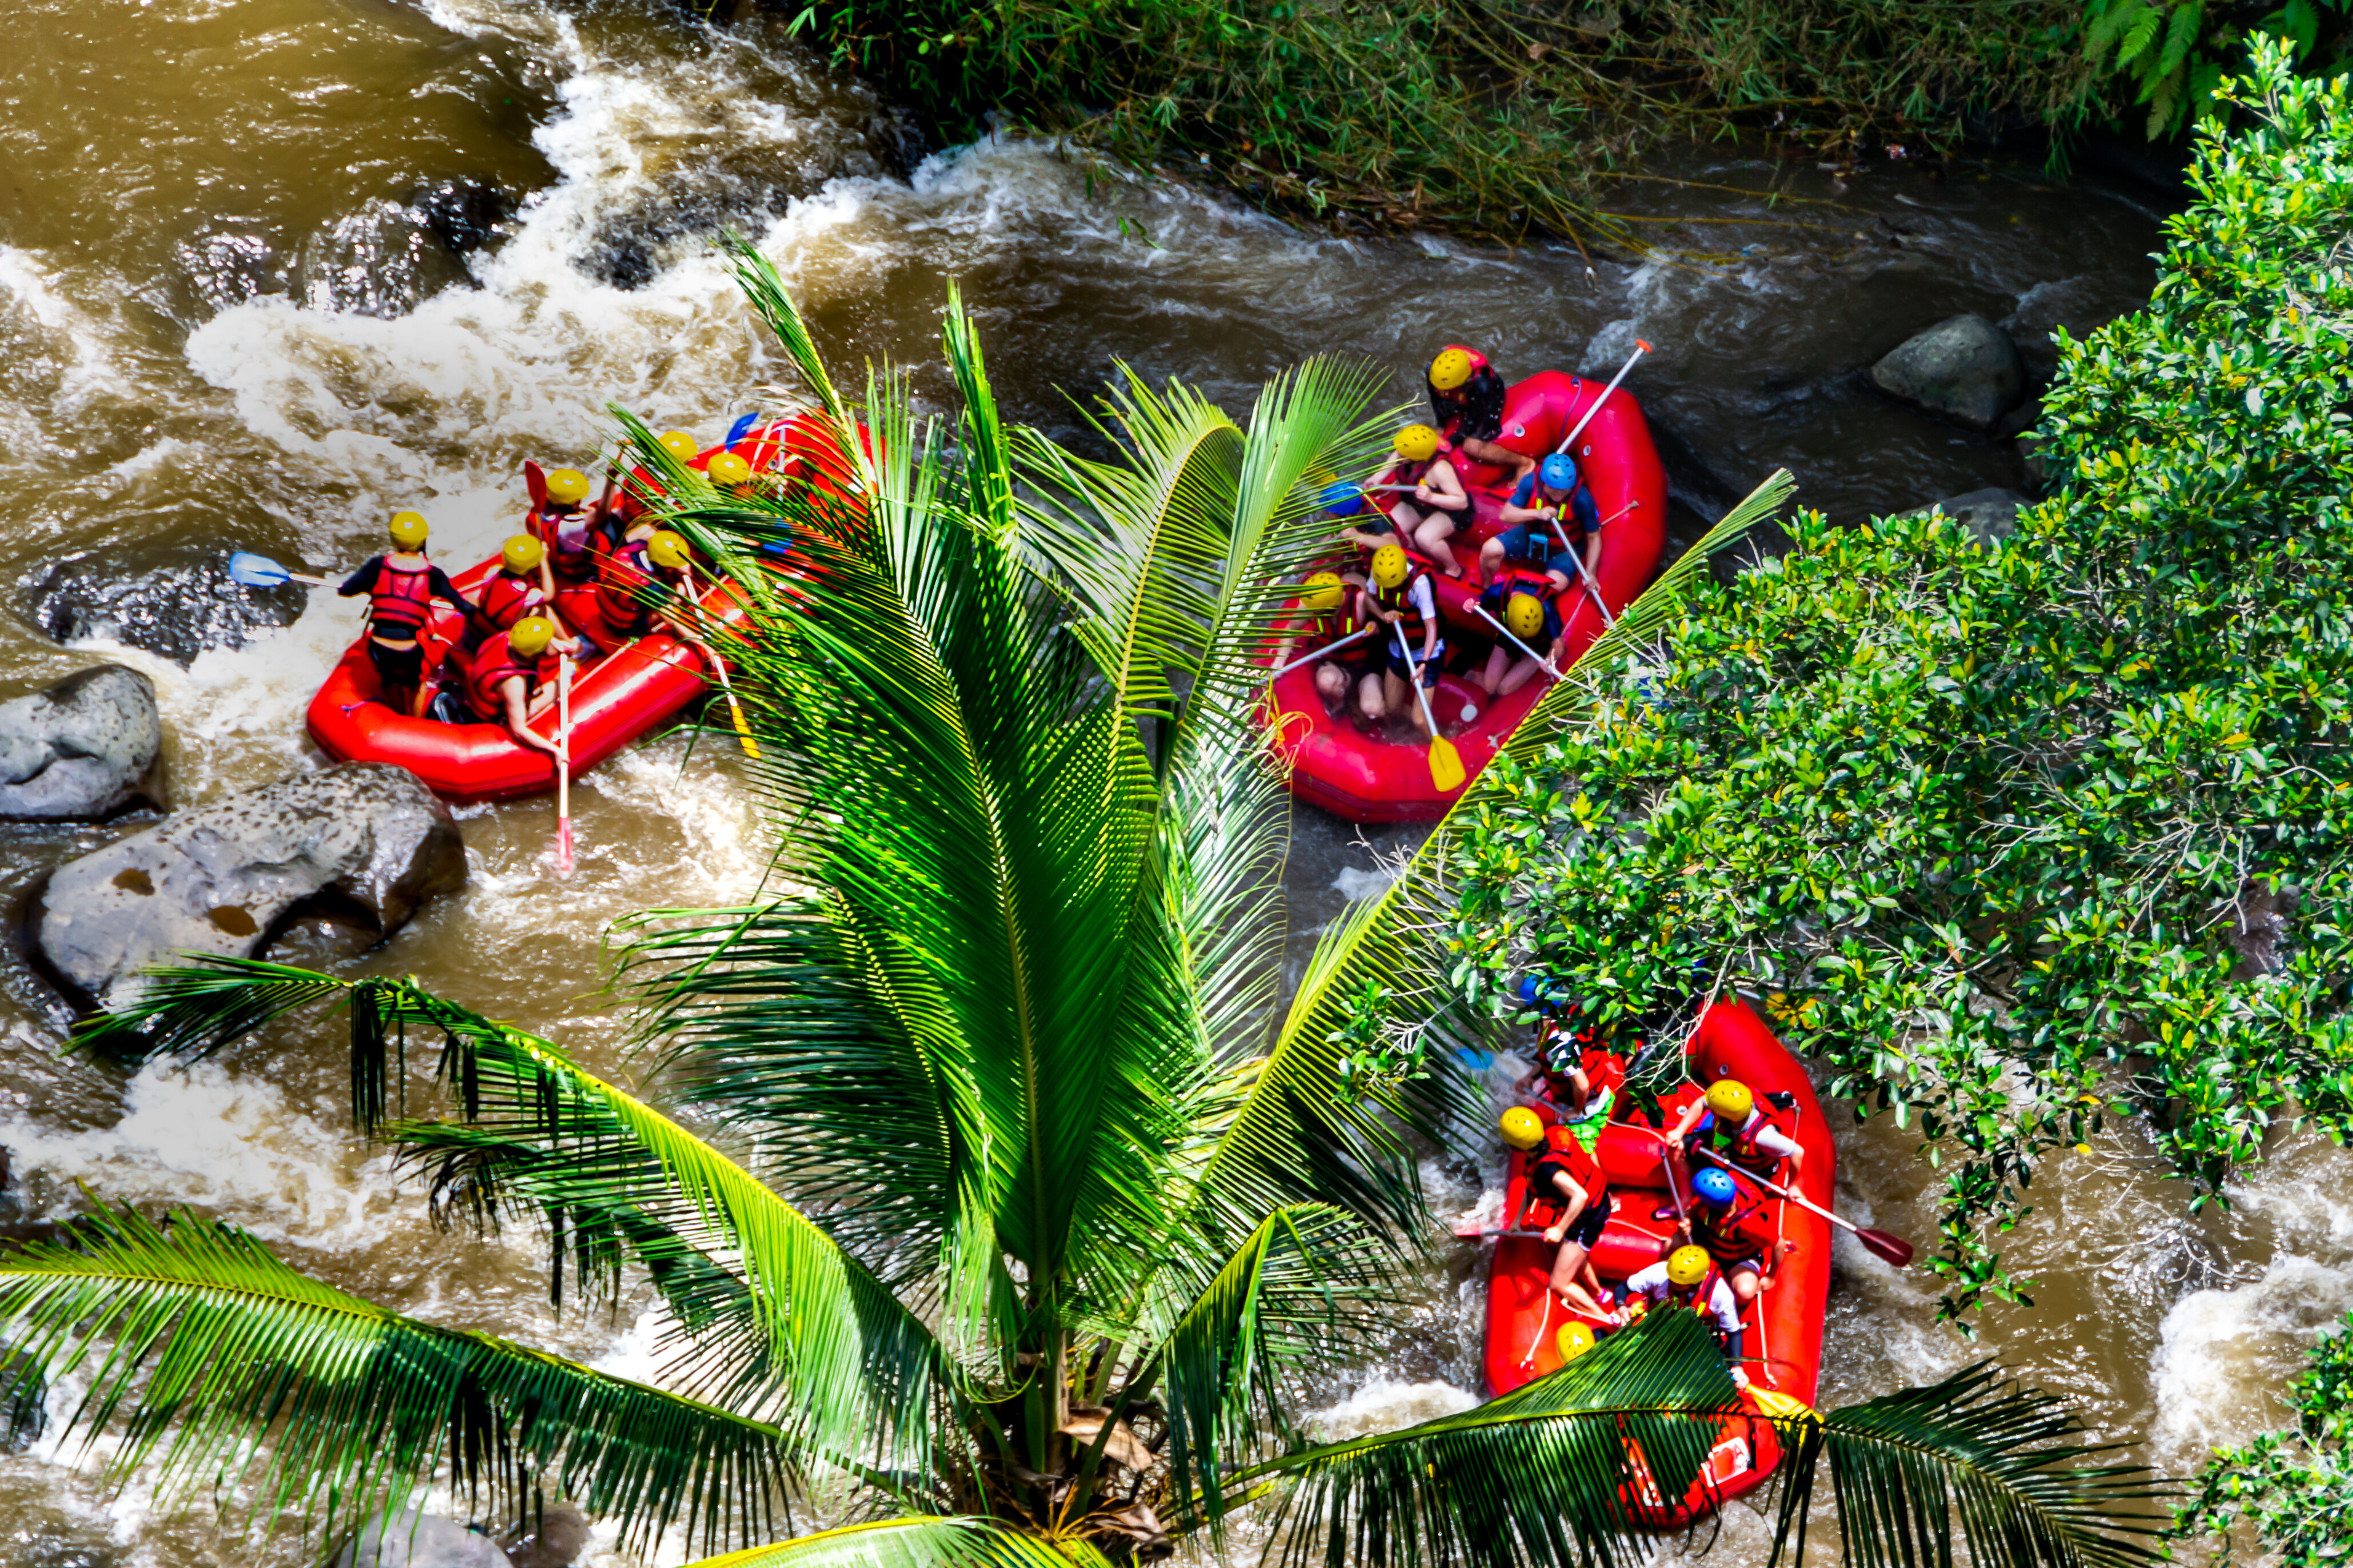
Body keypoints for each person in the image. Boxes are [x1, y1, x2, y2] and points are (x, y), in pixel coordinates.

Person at [337, 510, 492, 719]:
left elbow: (345, 591)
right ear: (422, 540)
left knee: (389, 676)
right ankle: (414, 721)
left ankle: (390, 709)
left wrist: (371, 588)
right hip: (407, 654)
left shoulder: (377, 566)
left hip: (377, 650)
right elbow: (462, 606)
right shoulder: (433, 575)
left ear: (393, 538)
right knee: (416, 686)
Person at [1501, 1107, 1614, 1323]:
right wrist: (1517, 1221)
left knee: (1558, 1284)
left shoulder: (1546, 1170)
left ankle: (1608, 1321)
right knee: (1572, 1254)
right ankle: (1599, 1294)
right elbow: (1530, 1186)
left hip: (1588, 1217)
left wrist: (1560, 1228)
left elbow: (1579, 1196)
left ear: (1515, 1146)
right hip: (1598, 1202)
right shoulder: (1551, 1137)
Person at [1623, 1244, 1749, 1385]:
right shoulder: (1660, 1273)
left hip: (1691, 1343)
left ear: (1696, 1282)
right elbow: (1624, 1288)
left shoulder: (1720, 1295)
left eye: (1679, 1283)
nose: (1673, 1284)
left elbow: (1733, 1332)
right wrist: (1621, 1307)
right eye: (1673, 1279)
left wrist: (1737, 1367)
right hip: (1655, 1332)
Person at [1677, 1164, 1795, 1308]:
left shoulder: (1748, 1224)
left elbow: (1779, 1244)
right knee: (1673, 1245)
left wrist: (1770, 1277)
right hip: (1709, 1250)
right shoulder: (1705, 1201)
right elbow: (1691, 1210)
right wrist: (1687, 1221)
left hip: (1739, 1260)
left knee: (1745, 1292)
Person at [1273, 571, 1382, 724]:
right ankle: (1341, 704)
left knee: (1374, 708)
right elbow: (1291, 628)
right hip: (1336, 664)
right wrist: (1278, 664)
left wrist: (1374, 627)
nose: (1309, 612)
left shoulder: (1359, 600)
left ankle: (1381, 713)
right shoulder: (1311, 604)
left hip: (1365, 667)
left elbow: (1384, 628)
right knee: (1326, 681)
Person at [1483, 454, 1601, 592]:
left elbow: (1594, 538)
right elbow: (1505, 515)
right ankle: (1486, 589)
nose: (1559, 495)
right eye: (1554, 489)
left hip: (1564, 548)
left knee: (1557, 584)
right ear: (1544, 481)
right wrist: (1537, 513)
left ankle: (1524, 596)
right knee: (1490, 549)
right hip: (1530, 534)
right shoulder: (1530, 483)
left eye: (1564, 490)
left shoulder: (1582, 498)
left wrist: (1591, 573)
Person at [1358, 544, 1442, 737]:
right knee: (1392, 710)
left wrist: (1423, 663)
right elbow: (1368, 599)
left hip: (1426, 651)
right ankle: (1424, 722)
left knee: (1419, 720)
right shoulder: (1379, 571)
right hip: (1399, 647)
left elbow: (1432, 628)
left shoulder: (1420, 584)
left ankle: (1434, 736)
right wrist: (1382, 614)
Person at [1668, 1078, 1805, 1192]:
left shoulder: (1763, 1137)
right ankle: (1685, 1201)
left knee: (1713, 1190)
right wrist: (1679, 1132)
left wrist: (1794, 1186)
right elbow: (1701, 1102)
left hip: (1748, 1173)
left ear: (1724, 1117)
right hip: (1724, 1151)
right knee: (1679, 1146)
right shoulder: (1735, 1111)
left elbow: (1797, 1152)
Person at [459, 614, 563, 762]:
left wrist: (562, 645)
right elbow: (518, 730)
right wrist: (554, 750)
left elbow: (539, 643)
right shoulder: (514, 683)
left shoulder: (507, 638)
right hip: (492, 718)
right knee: (562, 684)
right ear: (536, 654)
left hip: (473, 695)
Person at [1427, 346, 1533, 486]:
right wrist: (1441, 425)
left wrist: (1448, 444)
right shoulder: (1433, 371)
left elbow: (1471, 424)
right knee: (1440, 427)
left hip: (1490, 397)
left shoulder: (1483, 384)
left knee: (1473, 447)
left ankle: (1524, 464)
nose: (1442, 391)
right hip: (1463, 391)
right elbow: (1436, 399)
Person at [1377, 424, 1470, 576]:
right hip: (1419, 505)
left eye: (1403, 454)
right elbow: (1396, 457)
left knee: (1424, 537)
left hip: (1448, 510)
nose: (1398, 454)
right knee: (1390, 528)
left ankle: (1453, 568)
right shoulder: (1407, 452)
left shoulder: (1440, 469)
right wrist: (1377, 477)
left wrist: (1432, 497)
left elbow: (1462, 502)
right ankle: (1414, 557)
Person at [466, 534, 570, 651]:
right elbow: (549, 595)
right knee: (544, 610)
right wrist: (545, 562)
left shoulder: (494, 571)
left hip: (485, 621)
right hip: (505, 633)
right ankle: (569, 643)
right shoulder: (528, 595)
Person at [1478, 589, 1566, 699]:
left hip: (1536, 647)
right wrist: (1471, 604)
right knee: (1489, 688)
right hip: (1508, 637)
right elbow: (1477, 601)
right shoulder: (1497, 593)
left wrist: (1549, 659)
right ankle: (1471, 675)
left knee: (1504, 689)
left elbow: (1559, 645)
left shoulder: (1547, 608)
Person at [533, 466, 599, 584]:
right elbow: (600, 515)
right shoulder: (574, 525)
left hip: (554, 559)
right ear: (574, 503)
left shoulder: (538, 513)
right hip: (578, 572)